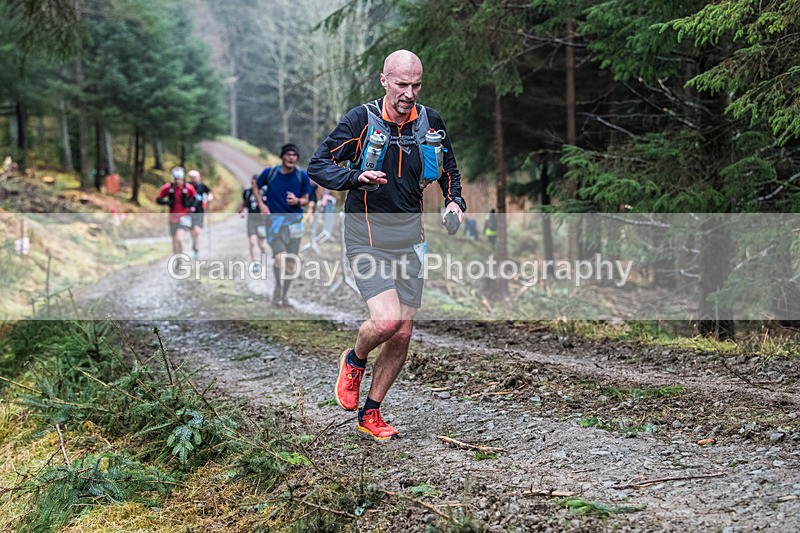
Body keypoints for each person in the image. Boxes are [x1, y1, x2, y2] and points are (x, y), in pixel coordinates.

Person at [308, 49, 466, 442]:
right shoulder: (361, 120)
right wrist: (355, 177)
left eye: (416, 85)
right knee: (386, 322)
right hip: (366, 234)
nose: (409, 93)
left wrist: (455, 203)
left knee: (403, 332)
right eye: (401, 84)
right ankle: (355, 359)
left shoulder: (430, 123)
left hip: (410, 238)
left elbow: (450, 172)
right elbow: (318, 165)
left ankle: (372, 412)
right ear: (384, 81)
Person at [255, 143, 311, 307]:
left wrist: (298, 201)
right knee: (280, 257)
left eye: (294, 155)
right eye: (288, 154)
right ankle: (278, 289)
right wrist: (261, 205)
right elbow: (255, 186)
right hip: (274, 223)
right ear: (282, 156)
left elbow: (307, 199)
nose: (291, 157)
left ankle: (284, 296)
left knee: (291, 264)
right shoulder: (270, 173)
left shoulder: (302, 176)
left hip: (294, 224)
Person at [155, 166, 197, 257]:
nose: (178, 181)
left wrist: (191, 206)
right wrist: (167, 202)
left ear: (183, 179)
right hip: (172, 218)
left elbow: (195, 199)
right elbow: (158, 199)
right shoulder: (168, 188)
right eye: (176, 179)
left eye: (180, 179)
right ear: (173, 179)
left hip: (185, 217)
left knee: (179, 239)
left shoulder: (188, 188)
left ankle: (181, 257)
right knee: (174, 242)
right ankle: (176, 258)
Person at [240, 174, 269, 275]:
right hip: (251, 220)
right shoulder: (247, 192)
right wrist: (242, 211)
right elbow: (243, 204)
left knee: (262, 245)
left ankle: (263, 256)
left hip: (262, 221)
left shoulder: (265, 192)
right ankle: (255, 263)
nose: (254, 185)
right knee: (252, 242)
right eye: (252, 183)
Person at [188, 169, 213, 259]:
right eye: (193, 178)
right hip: (189, 212)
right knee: (192, 232)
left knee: (197, 231)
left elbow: (209, 193)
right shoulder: (188, 186)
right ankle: (194, 244)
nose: (195, 179)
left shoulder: (202, 186)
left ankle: (196, 249)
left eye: (197, 177)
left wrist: (209, 198)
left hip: (199, 210)